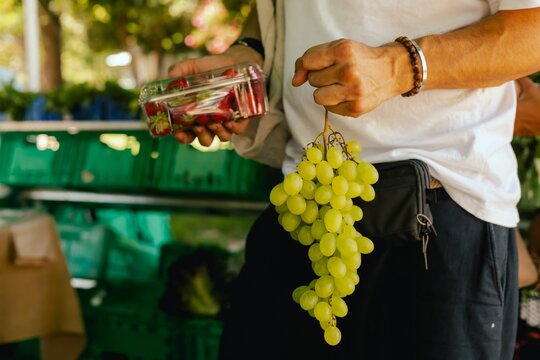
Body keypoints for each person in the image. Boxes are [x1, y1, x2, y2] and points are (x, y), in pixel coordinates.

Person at [169, 1, 540, 359]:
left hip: (443, 221)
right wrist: (248, 53)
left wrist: (400, 67)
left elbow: (532, 29)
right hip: (305, 209)